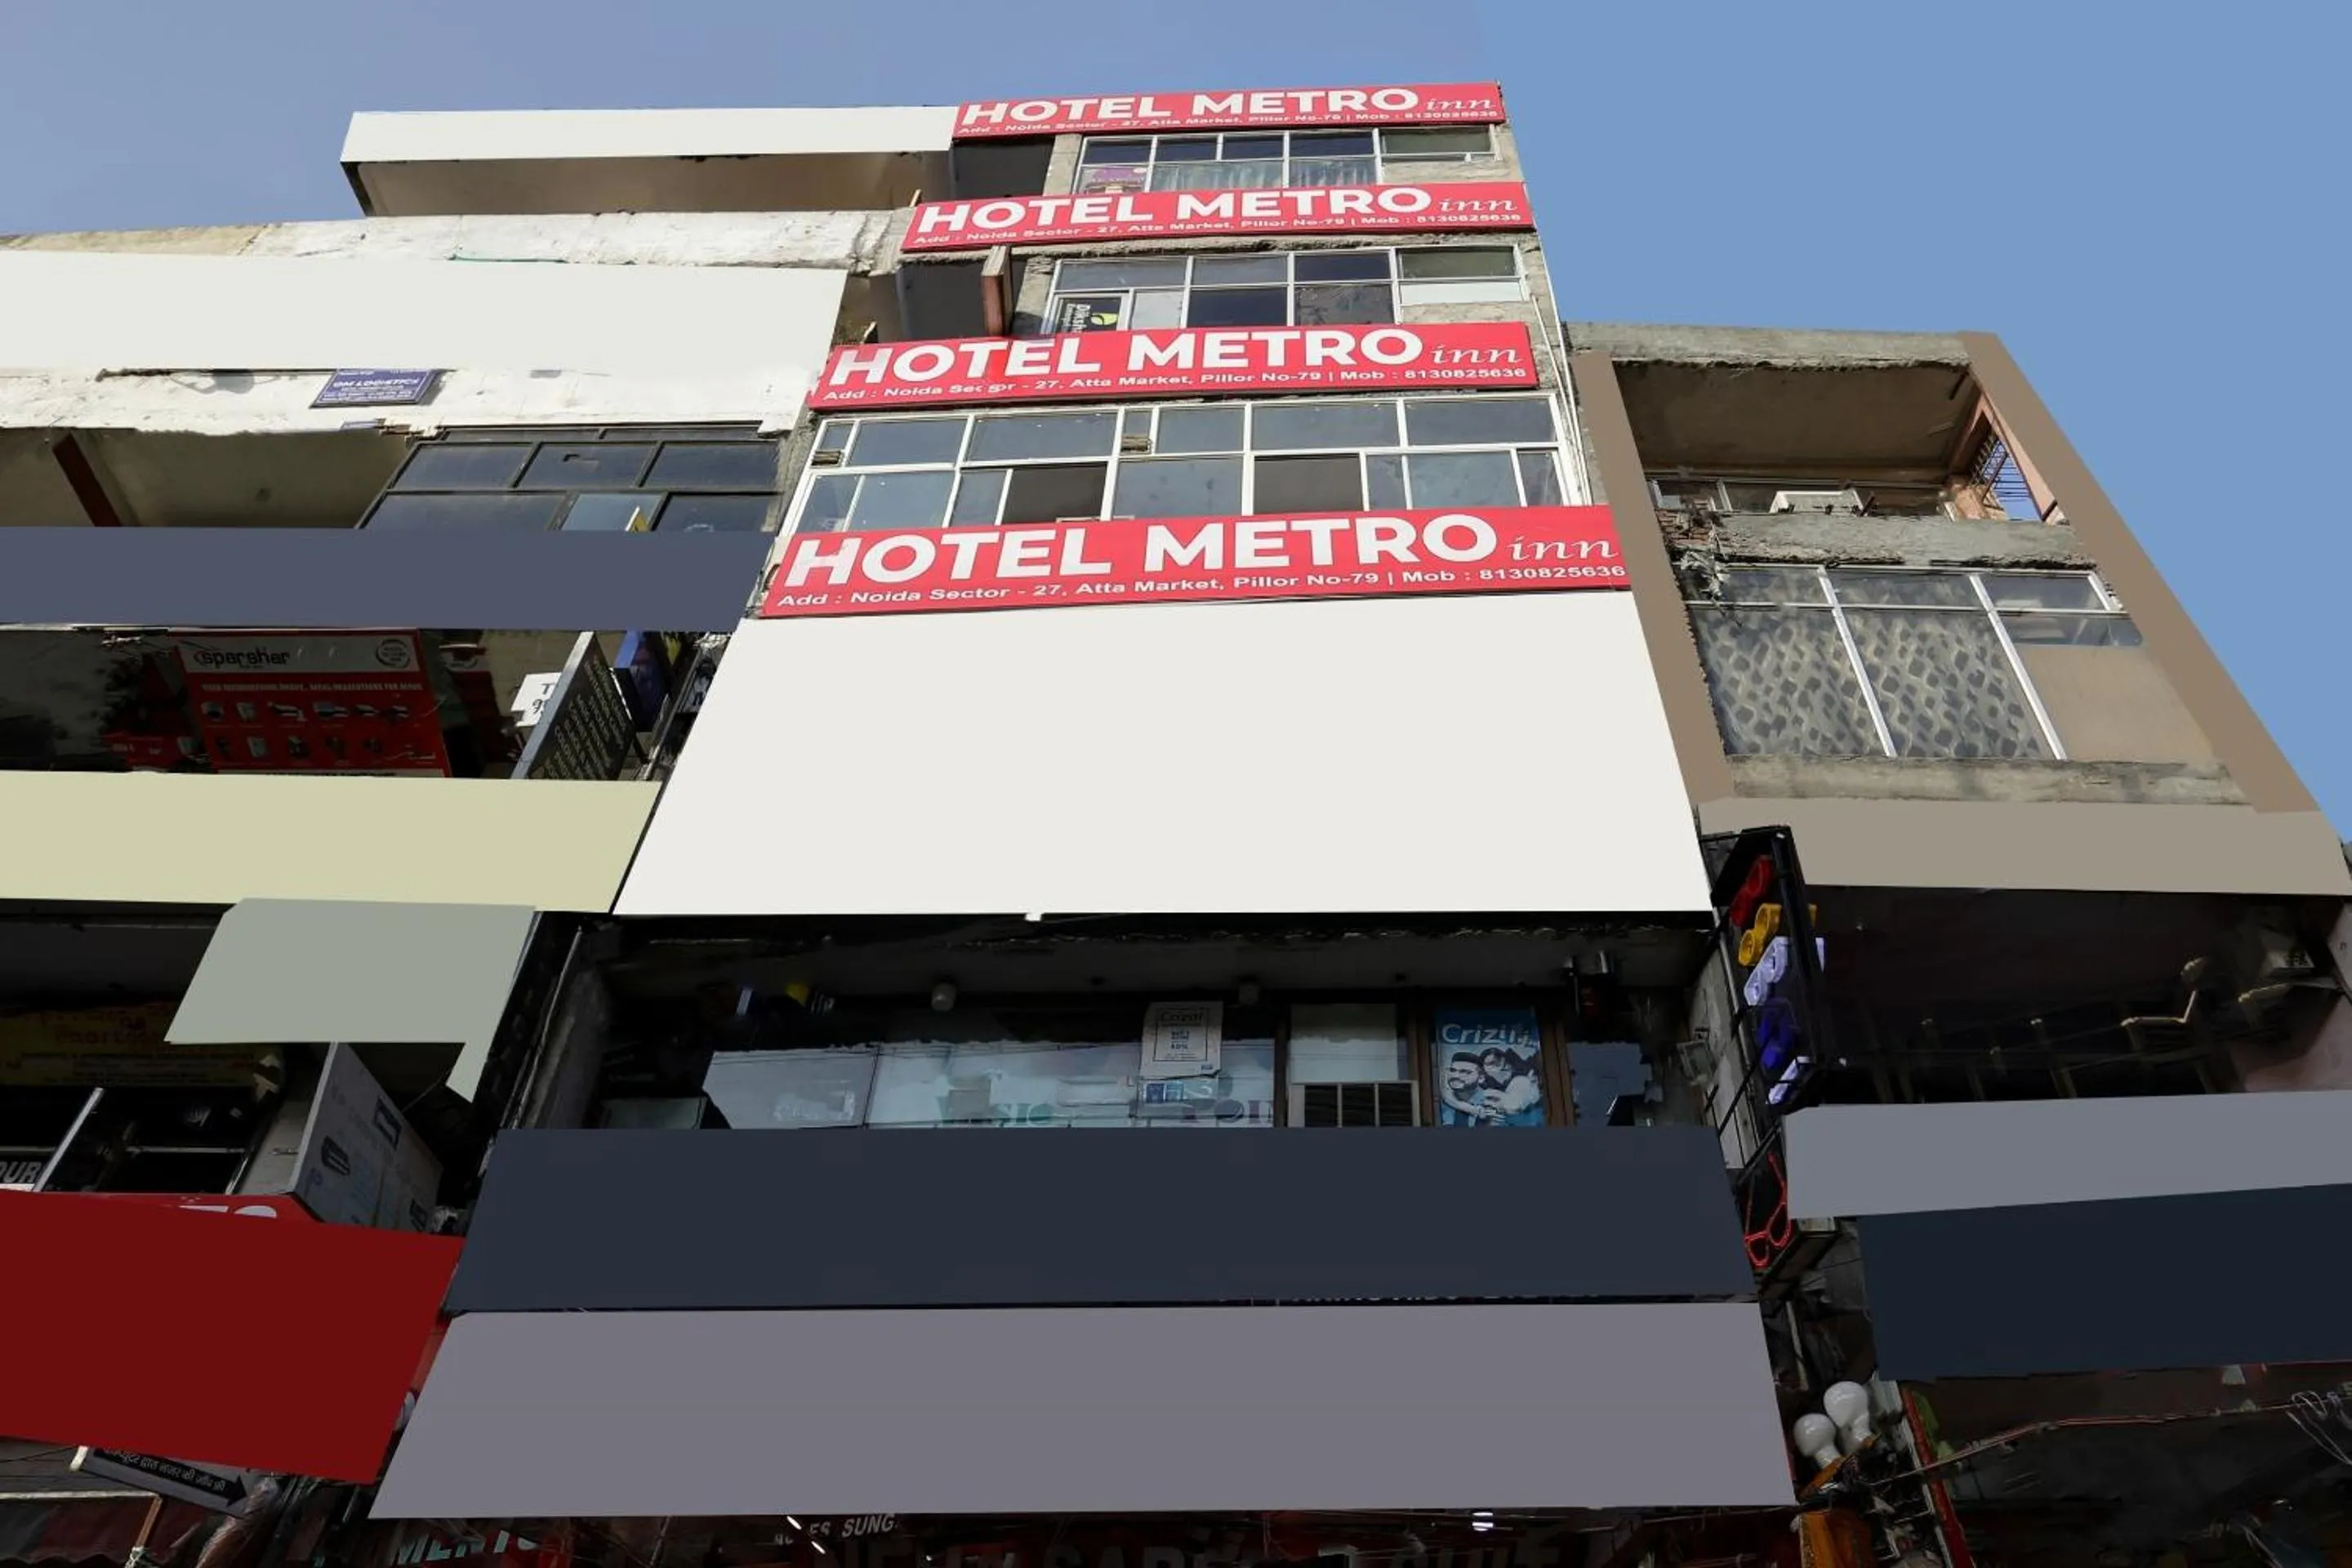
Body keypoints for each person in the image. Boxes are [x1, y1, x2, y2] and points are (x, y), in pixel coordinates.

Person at [1478, 1046, 1545, 1126]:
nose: (1494, 1066)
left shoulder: (1524, 1071)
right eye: (1489, 1064)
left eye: (1497, 1061)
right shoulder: (1484, 1084)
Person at [1437, 1051, 1491, 1126]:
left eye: (1464, 1072)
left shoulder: (1492, 1101)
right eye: (1453, 1070)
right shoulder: (1444, 1101)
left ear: (1481, 1078)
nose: (1455, 1076)